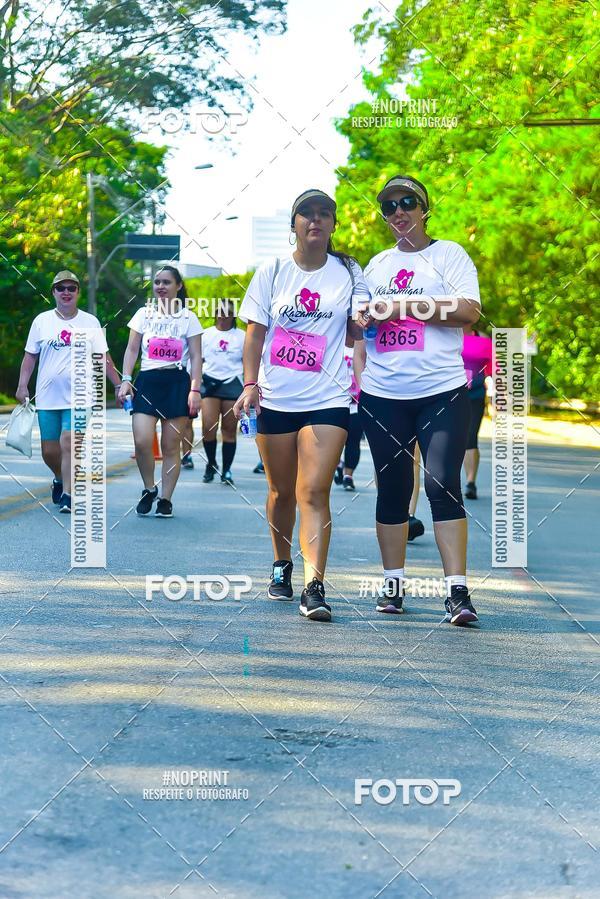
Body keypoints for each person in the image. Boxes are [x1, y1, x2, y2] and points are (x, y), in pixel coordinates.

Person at [234, 188, 369, 622]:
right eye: (306, 214)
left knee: (313, 490)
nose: (315, 220)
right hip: (276, 397)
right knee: (280, 491)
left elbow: (356, 331)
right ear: (293, 224)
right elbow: (255, 335)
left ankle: (315, 585)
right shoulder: (272, 270)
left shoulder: (348, 271)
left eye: (324, 214)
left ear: (333, 224)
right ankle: (281, 563)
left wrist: (363, 322)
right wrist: (250, 385)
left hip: (328, 397)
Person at [358, 174, 481, 625]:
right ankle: (392, 585)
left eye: (407, 202)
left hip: (441, 391)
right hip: (383, 394)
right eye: (389, 206)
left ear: (424, 208)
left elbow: (468, 310)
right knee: (393, 489)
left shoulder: (449, 255)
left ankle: (457, 592)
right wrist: (364, 319)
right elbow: (359, 329)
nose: (399, 212)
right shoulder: (375, 266)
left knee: (441, 483)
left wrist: (405, 306)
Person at [16, 270, 121, 513]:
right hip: (47, 397)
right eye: (61, 288)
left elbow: (103, 358)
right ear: (53, 292)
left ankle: (68, 495)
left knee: (68, 442)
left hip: (81, 397)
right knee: (49, 451)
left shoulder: (90, 322)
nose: (66, 292)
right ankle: (60, 478)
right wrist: (22, 385)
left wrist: (118, 384)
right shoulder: (42, 321)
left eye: (71, 288)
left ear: (78, 292)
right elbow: (30, 357)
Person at [119, 266, 202, 518]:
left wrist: (195, 389)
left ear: (178, 286)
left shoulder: (189, 318)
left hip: (177, 382)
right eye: (157, 282)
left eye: (166, 282)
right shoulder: (143, 314)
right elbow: (132, 349)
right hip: (148, 381)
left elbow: (196, 357)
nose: (161, 287)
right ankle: (149, 488)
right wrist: (126, 379)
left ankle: (165, 499)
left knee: (170, 445)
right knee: (142, 440)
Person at [200, 299, 244, 486]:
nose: (223, 315)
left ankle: (226, 470)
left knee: (229, 430)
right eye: (220, 311)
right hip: (209, 382)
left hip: (232, 383)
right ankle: (211, 463)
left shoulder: (242, 336)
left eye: (228, 312)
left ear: (233, 315)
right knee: (208, 427)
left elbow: (248, 362)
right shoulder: (206, 334)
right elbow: (197, 359)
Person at [462, 325, 493, 499]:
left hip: (475, 395)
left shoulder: (482, 338)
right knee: (456, 439)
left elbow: (494, 367)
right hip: (449, 395)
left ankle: (470, 482)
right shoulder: (446, 333)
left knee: (470, 436)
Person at [333, 336, 364, 491]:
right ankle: (337, 464)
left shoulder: (364, 345)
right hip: (335, 402)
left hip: (356, 405)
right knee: (333, 441)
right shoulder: (335, 345)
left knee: (353, 441)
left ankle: (348, 476)